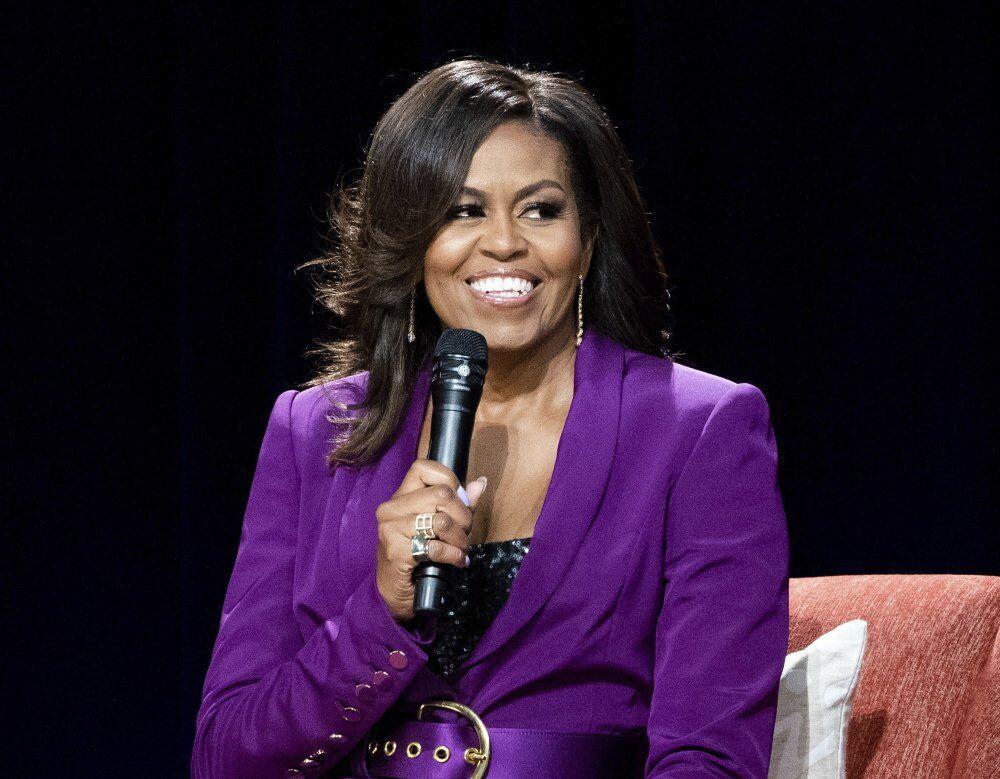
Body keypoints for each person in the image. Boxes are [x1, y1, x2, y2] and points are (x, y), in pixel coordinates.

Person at [191, 57, 789, 779]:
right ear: (411, 242)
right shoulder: (314, 430)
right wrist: (381, 609)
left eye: (541, 209)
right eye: (462, 210)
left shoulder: (697, 430)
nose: (504, 241)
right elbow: (228, 756)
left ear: (588, 238)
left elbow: (710, 755)